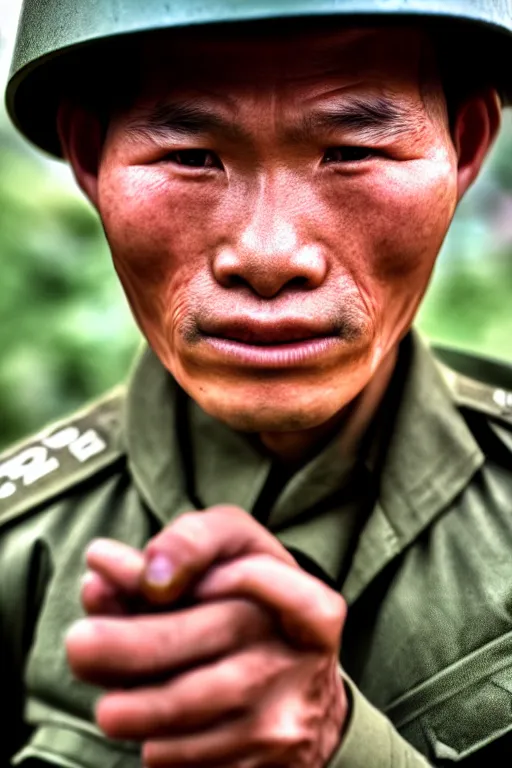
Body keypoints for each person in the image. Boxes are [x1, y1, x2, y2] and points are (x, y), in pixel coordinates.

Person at [2, 1, 512, 765]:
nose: (270, 256)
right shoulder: (18, 553)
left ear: (464, 147)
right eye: (192, 155)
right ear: (89, 156)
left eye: (350, 150)